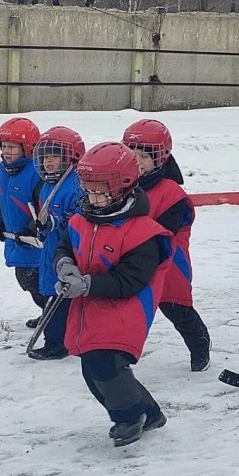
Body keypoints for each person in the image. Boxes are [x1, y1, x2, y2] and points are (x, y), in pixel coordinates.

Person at [54, 142, 172, 447]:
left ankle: (129, 417)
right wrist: (65, 265)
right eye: (88, 190)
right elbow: (65, 246)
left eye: (101, 191)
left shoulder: (142, 233)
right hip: (90, 309)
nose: (93, 198)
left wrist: (88, 285)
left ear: (123, 188)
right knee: (92, 371)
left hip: (125, 309)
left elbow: (130, 280)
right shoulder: (81, 221)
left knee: (105, 365)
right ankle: (150, 411)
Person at [121, 119, 211, 372]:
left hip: (169, 263)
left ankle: (199, 344)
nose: (137, 161)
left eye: (144, 156)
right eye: (132, 154)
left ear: (160, 159)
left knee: (176, 308)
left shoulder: (171, 193)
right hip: (131, 263)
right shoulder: (121, 187)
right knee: (127, 311)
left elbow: (164, 231)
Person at [26, 126, 85, 360]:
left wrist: (56, 222)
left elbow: (80, 216)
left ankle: (56, 343)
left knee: (58, 298)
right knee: (53, 295)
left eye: (54, 156)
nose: (48, 162)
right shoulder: (48, 186)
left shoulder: (75, 184)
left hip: (67, 251)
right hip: (50, 249)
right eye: (44, 156)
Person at [0, 117, 45, 329]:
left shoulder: (37, 173)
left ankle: (55, 317)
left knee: (36, 281)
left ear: (28, 148)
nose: (7, 152)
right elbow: (1, 197)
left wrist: (30, 231)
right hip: (15, 239)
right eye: (4, 147)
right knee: (26, 280)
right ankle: (49, 313)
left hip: (34, 241)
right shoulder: (3, 170)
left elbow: (45, 206)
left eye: (13, 147)